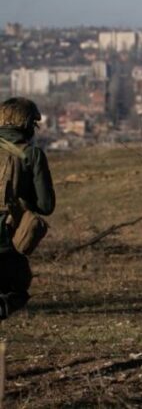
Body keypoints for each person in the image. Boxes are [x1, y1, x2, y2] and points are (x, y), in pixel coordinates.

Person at [0, 97, 55, 320]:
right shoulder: (31, 155)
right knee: (15, 290)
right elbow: (46, 205)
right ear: (28, 125)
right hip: (6, 236)